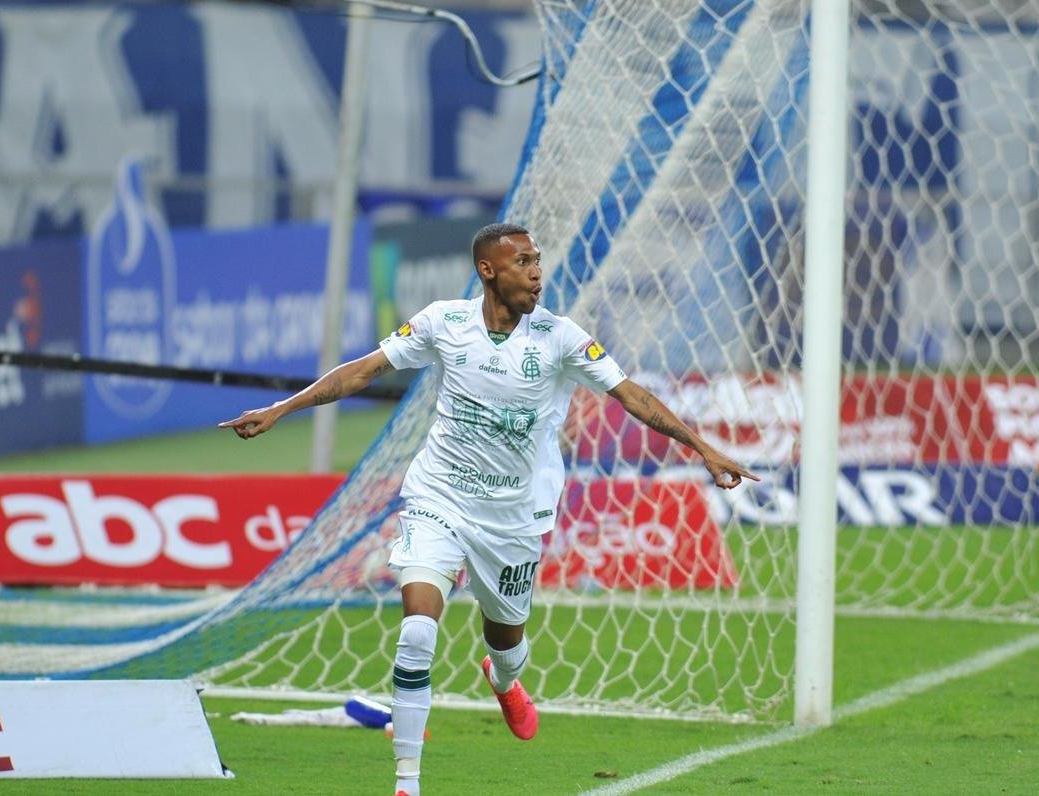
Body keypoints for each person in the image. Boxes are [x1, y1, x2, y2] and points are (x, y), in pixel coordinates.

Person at [219, 222, 759, 796]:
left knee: (506, 643)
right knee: (417, 632)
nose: (535, 271)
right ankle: (407, 784)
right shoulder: (443, 323)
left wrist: (702, 448)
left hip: (514, 515)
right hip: (439, 496)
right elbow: (364, 369)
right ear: (487, 271)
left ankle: (504, 680)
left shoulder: (560, 337)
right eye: (522, 261)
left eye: (537, 260)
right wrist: (283, 408)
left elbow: (632, 396)